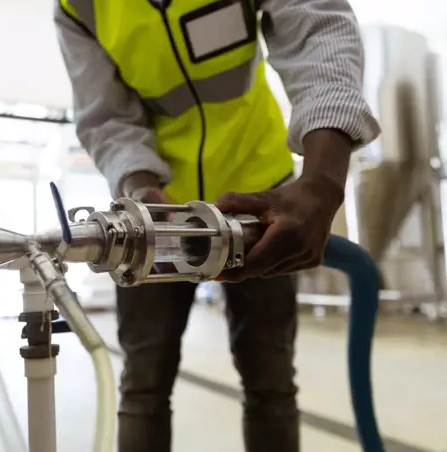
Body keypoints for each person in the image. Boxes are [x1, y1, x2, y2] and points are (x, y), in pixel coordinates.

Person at [54, 1, 380, 451]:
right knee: (144, 386)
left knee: (271, 382)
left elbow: (314, 24)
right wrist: (142, 191)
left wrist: (323, 180)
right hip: (158, 218)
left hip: (263, 200)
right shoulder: (79, 7)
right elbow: (106, 116)